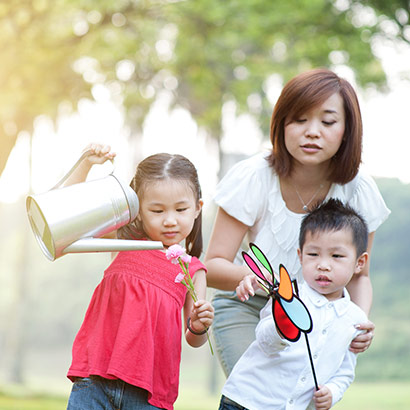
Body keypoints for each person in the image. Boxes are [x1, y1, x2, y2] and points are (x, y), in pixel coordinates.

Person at [204, 68, 390, 376]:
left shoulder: (359, 189)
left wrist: (358, 320)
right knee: (257, 395)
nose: (312, 131)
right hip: (247, 305)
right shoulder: (253, 177)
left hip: (319, 313)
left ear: (347, 129)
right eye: (299, 120)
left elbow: (359, 275)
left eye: (328, 122)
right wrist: (261, 283)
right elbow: (212, 265)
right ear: (281, 125)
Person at [65, 145, 214, 410]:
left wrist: (200, 325)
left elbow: (194, 339)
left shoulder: (193, 270)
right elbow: (68, 213)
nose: (170, 220)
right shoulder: (124, 241)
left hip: (148, 396)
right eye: (157, 211)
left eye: (180, 209)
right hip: (94, 380)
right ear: (137, 209)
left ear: (197, 208)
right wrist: (85, 164)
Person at [219, 199, 370, 410]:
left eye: (336, 256)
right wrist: (281, 328)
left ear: (359, 262)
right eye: (313, 254)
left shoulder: (356, 319)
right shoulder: (289, 294)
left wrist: (333, 391)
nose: (323, 265)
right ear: (300, 256)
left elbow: (345, 370)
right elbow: (264, 339)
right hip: (247, 402)